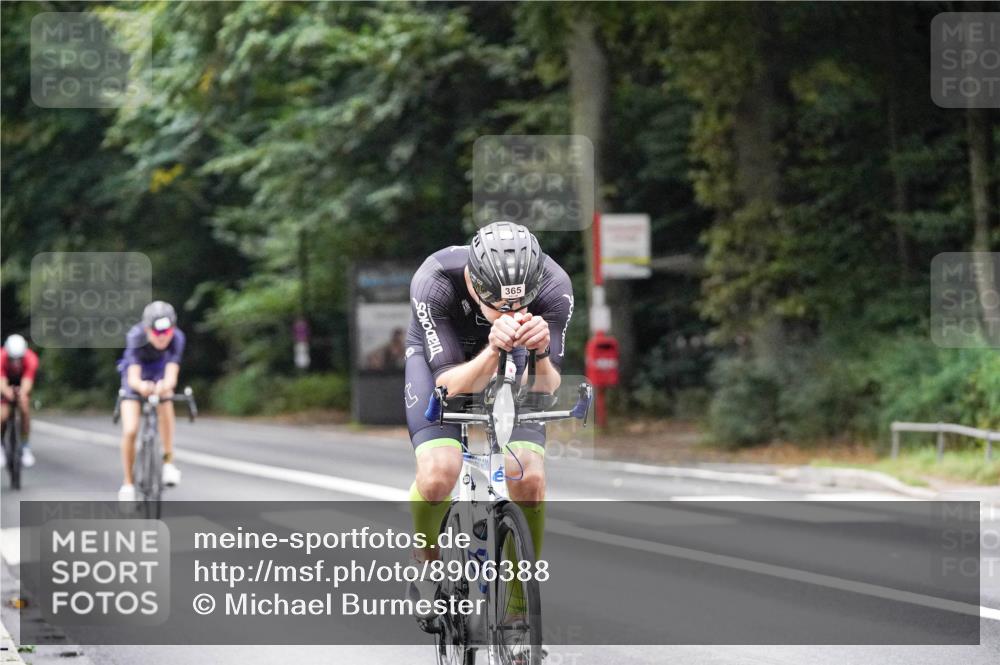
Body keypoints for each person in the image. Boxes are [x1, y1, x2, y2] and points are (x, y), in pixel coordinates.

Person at [404, 221, 573, 622]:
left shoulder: (554, 286)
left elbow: (546, 387)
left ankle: (517, 605)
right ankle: (426, 564)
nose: (510, 313)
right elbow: (448, 384)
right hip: (442, 362)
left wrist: (541, 353)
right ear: (474, 283)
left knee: (529, 479)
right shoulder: (436, 281)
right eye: (498, 304)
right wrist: (493, 348)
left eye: (520, 305)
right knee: (439, 473)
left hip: (515, 357)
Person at [117, 301, 186, 502]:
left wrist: (163, 386)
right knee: (131, 430)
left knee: (166, 400)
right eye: (157, 332)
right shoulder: (136, 336)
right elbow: (133, 378)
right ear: (147, 330)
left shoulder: (178, 338)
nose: (163, 337)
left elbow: (172, 375)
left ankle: (168, 462)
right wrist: (142, 387)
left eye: (167, 331)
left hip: (159, 374)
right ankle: (128, 483)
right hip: (136, 375)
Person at [1, 334, 39, 467]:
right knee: (2, 415)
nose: (16, 362)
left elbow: (27, 381)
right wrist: (8, 393)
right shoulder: (1, 357)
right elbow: (1, 382)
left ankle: (25, 446)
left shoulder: (31, 358)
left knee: (25, 408)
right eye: (12, 359)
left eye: (19, 359)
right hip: (5, 381)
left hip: (21, 382)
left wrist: (21, 394)